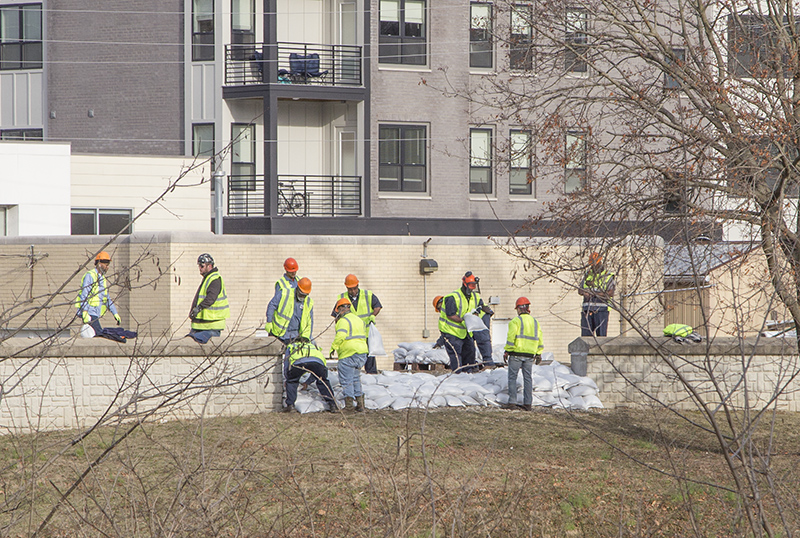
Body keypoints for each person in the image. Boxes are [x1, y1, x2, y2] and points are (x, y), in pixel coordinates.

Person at [331, 274, 382, 374]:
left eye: (354, 288)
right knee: (352, 359)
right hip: (352, 336)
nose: (353, 291)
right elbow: (336, 315)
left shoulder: (367, 295)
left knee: (370, 357)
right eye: (350, 289)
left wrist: (373, 315)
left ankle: (371, 374)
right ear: (346, 287)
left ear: (358, 285)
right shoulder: (342, 298)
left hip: (366, 333)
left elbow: (377, 306)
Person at [502, 297, 544, 411]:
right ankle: (528, 404)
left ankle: (512, 402)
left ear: (519, 309)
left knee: (512, 378)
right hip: (530, 355)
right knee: (527, 379)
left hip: (516, 354)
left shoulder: (515, 321)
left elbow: (511, 338)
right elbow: (539, 339)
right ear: (528, 308)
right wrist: (539, 354)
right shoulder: (535, 322)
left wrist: (507, 351)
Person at [330, 297, 368, 412]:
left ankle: (349, 406)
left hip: (348, 353)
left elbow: (341, 336)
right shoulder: (359, 320)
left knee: (346, 380)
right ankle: (360, 404)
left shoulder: (343, 321)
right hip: (361, 353)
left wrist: (333, 348)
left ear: (341, 309)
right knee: (356, 378)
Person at [438, 272, 481, 372]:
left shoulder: (474, 297)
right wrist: (465, 321)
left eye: (474, 286)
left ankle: (468, 376)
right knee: (456, 358)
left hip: (466, 333)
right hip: (452, 333)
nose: (472, 288)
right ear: (465, 284)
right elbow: (451, 315)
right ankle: (458, 378)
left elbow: (478, 308)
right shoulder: (453, 297)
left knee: (470, 355)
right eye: (471, 285)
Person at [281, 339, 337, 414]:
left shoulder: (291, 346)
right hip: (318, 363)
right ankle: (332, 404)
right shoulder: (314, 347)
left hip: (298, 362)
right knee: (322, 381)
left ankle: (290, 405)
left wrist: (288, 378)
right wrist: (308, 382)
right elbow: (319, 369)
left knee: (292, 381)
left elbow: (286, 364)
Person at [75, 251, 122, 336]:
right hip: (89, 312)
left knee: (95, 334)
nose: (107, 267)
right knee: (100, 333)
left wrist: (115, 313)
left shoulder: (102, 279)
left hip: (96, 313)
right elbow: (84, 295)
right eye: (106, 265)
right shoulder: (90, 275)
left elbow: (107, 298)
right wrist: (85, 311)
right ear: (99, 264)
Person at [187, 253, 230, 344]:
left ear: (209, 266)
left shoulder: (214, 279)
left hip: (211, 326)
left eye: (202, 266)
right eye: (199, 266)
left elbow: (210, 299)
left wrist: (198, 308)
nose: (200, 268)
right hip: (202, 326)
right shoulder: (208, 278)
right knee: (187, 341)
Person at [578, 252, 616, 337]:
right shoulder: (588, 274)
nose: (593, 266)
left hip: (601, 310)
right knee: (586, 338)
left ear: (600, 262)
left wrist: (594, 294)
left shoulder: (607, 276)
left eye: (595, 264)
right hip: (587, 310)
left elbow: (610, 293)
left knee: (601, 338)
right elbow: (580, 290)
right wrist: (585, 292)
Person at [268, 276, 314, 344]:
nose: (302, 297)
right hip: (279, 335)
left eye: (305, 295)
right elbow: (272, 305)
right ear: (297, 288)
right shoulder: (284, 293)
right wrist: (269, 321)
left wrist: (306, 337)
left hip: (296, 337)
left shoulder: (308, 303)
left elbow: (309, 322)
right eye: (301, 294)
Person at [266, 257, 300, 338]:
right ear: (286, 270)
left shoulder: (299, 281)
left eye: (295, 271)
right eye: (291, 271)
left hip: (296, 326)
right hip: (283, 327)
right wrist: (269, 321)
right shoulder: (281, 284)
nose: (293, 273)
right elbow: (273, 304)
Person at [468, 273, 496, 368]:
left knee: (482, 340)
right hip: (477, 318)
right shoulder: (473, 296)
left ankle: (488, 363)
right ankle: (481, 362)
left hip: (480, 318)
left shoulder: (474, 297)